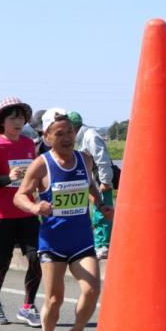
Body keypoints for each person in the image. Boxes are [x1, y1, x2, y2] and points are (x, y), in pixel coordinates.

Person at [14, 108, 113, 331]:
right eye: (60, 133)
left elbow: (90, 185)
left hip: (81, 240)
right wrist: (36, 207)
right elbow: (19, 196)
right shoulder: (42, 164)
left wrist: (101, 204)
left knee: (92, 290)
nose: (68, 137)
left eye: (70, 131)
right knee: (55, 299)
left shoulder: (85, 159)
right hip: (53, 242)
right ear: (47, 137)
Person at [0, 97, 44, 326]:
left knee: (36, 259)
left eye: (21, 117)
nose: (18, 122)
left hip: (26, 211)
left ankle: (28, 306)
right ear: (1, 122)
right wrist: (7, 178)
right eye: (12, 117)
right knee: (2, 262)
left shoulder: (27, 144)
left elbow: (35, 174)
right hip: (1, 214)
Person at [69, 111, 115, 260]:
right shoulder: (83, 137)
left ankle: (104, 245)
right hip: (94, 181)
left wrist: (105, 181)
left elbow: (102, 159)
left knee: (103, 211)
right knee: (96, 211)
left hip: (101, 181)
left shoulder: (90, 136)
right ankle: (99, 243)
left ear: (74, 128)